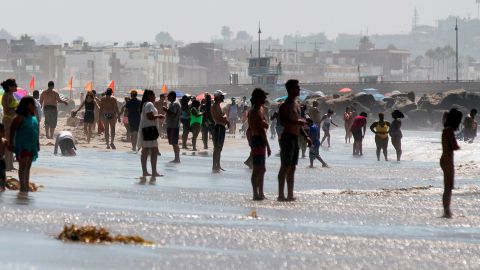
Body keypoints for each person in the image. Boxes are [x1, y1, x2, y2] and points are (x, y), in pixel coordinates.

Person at [277, 79, 311, 201]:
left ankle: (290, 194)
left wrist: (306, 136)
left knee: (292, 167)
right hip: (287, 138)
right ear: (291, 89)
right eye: (297, 87)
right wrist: (296, 122)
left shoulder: (296, 104)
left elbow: (299, 124)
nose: (299, 89)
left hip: (295, 137)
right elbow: (282, 122)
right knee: (285, 166)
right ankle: (281, 195)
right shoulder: (285, 105)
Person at [8, 97, 39, 196]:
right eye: (32, 104)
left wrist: (37, 143)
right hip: (22, 144)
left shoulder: (34, 117)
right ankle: (22, 186)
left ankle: (26, 184)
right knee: (23, 165)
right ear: (26, 105)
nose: (34, 106)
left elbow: (36, 131)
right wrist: (11, 144)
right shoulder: (19, 117)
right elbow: (12, 130)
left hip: (32, 145)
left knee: (28, 165)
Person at [248, 88, 271, 200]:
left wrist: (265, 123)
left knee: (262, 169)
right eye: (263, 97)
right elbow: (259, 130)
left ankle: (261, 193)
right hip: (257, 140)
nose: (265, 99)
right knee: (257, 169)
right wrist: (268, 146)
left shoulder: (260, 109)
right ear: (257, 98)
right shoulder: (253, 112)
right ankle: (255, 193)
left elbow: (264, 124)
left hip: (260, 140)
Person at [440, 108, 462, 218]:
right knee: (448, 187)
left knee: (448, 186)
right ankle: (446, 211)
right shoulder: (449, 131)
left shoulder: (446, 130)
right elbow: (454, 146)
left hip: (446, 159)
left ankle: (447, 210)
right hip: (447, 160)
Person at [137, 90, 164, 178]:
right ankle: (153, 172)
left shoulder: (145, 104)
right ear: (149, 96)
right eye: (153, 95)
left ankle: (145, 172)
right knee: (154, 150)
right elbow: (150, 116)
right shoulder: (149, 104)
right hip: (150, 129)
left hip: (146, 128)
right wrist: (159, 116)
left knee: (145, 151)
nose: (155, 97)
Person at [1, 79, 19, 171]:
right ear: (9, 87)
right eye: (15, 85)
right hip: (7, 121)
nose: (16, 87)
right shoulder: (5, 96)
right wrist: (17, 110)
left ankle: (10, 165)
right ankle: (7, 165)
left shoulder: (12, 95)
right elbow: (7, 110)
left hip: (13, 121)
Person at [211, 90, 230, 173]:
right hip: (218, 127)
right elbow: (218, 118)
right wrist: (226, 120)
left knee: (219, 148)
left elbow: (221, 116)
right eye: (222, 96)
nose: (223, 97)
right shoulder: (215, 106)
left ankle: (217, 165)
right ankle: (214, 166)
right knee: (217, 147)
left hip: (220, 127)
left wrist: (225, 118)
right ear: (218, 97)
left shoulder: (218, 106)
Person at [164, 91, 181, 163]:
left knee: (174, 143)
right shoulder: (172, 103)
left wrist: (166, 110)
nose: (167, 97)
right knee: (173, 143)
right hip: (171, 125)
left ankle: (177, 158)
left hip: (173, 126)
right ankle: (176, 158)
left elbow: (173, 114)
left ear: (172, 96)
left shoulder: (175, 104)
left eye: (168, 96)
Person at [0, 124, 6, 191]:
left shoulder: (4, 141)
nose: (4, 133)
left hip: (2, 161)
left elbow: (10, 149)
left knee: (3, 177)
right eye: (2, 131)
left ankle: (3, 189)